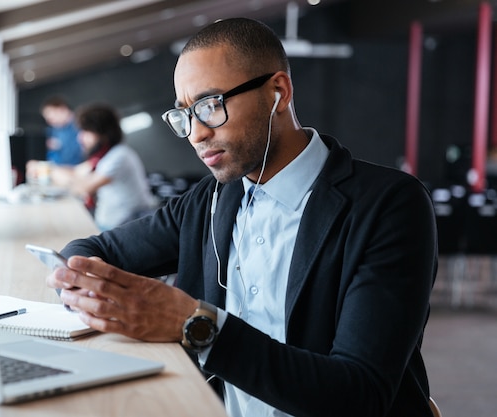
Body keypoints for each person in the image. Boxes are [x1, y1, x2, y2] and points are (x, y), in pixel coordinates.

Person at [46, 18, 438, 417]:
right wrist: (74, 280)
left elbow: (360, 395)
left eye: (210, 106)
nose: (196, 133)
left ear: (278, 93)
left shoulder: (389, 206)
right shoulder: (210, 201)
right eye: (185, 115)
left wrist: (194, 324)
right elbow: (95, 249)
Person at [49, 103, 157, 231]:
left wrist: (52, 171)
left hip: (125, 227)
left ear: (102, 134)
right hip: (112, 223)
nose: (80, 137)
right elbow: (76, 172)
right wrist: (51, 168)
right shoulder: (103, 157)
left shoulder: (119, 155)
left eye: (86, 132)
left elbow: (83, 187)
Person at [26, 96, 84, 182]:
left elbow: (76, 159)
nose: (50, 122)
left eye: (51, 118)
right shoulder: (52, 130)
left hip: (75, 176)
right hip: (56, 175)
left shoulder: (81, 127)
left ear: (62, 110)